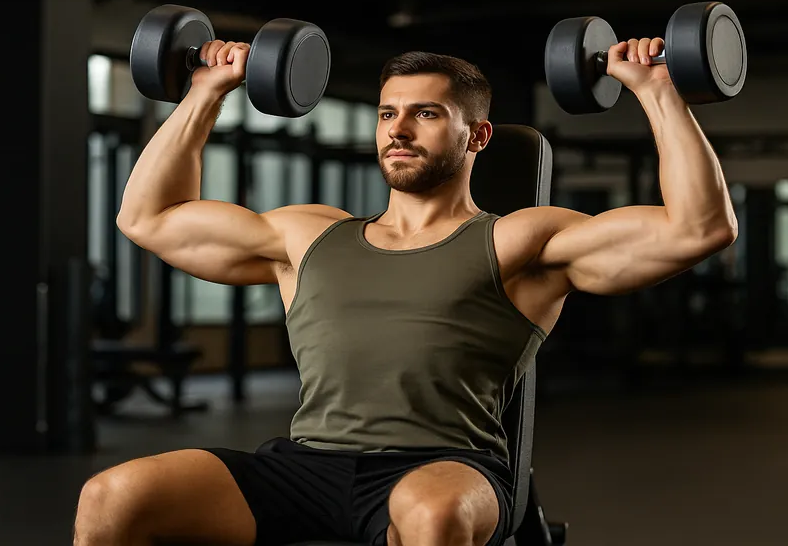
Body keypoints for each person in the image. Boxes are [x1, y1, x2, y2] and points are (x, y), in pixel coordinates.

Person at [74, 36, 737, 546]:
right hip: (305, 466)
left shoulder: (519, 242)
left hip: (445, 465)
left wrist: (655, 89)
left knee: (436, 513)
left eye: (425, 113)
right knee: (113, 496)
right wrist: (208, 89)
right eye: (388, 113)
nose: (398, 129)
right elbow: (147, 218)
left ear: (476, 135)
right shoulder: (308, 236)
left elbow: (698, 229)